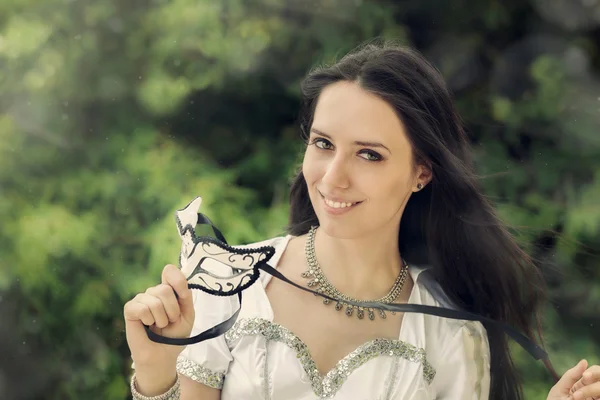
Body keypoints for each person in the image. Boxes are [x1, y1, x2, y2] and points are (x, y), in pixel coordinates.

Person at [124, 42, 600, 400]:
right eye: (323, 144)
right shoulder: (226, 284)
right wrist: (155, 371)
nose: (333, 178)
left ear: (422, 172)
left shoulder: (452, 333)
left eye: (369, 155)